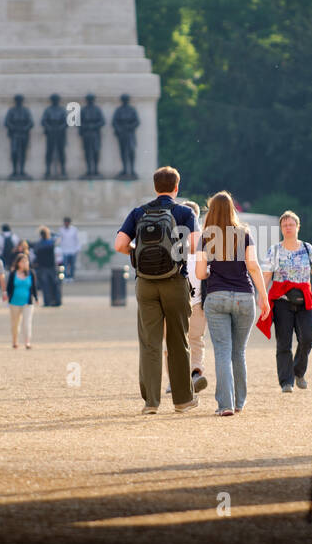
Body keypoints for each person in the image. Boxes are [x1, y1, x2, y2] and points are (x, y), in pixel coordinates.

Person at [115, 166, 200, 414]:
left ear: (155, 187)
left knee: (150, 342)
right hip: (175, 281)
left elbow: (119, 244)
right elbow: (194, 245)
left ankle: (151, 402)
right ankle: (183, 400)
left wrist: (138, 253)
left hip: (145, 283)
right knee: (177, 340)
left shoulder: (139, 212)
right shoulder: (184, 212)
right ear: (176, 187)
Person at [196, 191, 270, 416]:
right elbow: (254, 266)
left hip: (217, 296)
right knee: (239, 352)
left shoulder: (206, 237)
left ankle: (224, 405)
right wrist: (263, 296)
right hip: (244, 297)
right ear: (232, 209)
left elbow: (200, 273)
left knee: (222, 352)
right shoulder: (244, 234)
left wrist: (211, 271)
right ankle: (240, 402)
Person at [260, 210, 312, 392]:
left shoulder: (307, 248)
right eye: (284, 225)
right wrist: (261, 297)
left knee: (308, 337)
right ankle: (286, 382)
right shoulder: (274, 250)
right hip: (282, 302)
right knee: (283, 342)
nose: (288, 228)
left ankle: (298, 371)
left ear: (298, 227)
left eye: (291, 224)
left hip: (304, 300)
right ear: (281, 228)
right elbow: (266, 275)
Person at [164, 200, 208, 397]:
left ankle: (194, 373)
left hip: (197, 300)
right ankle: (174, 379)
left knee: (195, 339)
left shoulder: (205, 244)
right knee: (172, 342)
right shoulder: (172, 241)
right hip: (174, 300)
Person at [6, 252, 38, 349]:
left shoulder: (31, 273)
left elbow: (34, 287)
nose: (25, 263)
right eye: (23, 262)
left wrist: (36, 298)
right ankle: (15, 341)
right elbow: (9, 287)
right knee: (15, 323)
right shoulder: (13, 274)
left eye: (26, 261)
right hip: (14, 302)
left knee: (27, 322)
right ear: (18, 263)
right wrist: (7, 296)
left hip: (27, 302)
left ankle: (27, 342)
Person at [34, 227, 61, 307]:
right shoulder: (51, 242)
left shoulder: (39, 244)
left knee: (45, 286)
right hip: (51, 266)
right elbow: (58, 237)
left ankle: (47, 302)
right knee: (55, 284)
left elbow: (36, 254)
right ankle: (57, 301)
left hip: (42, 267)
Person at [57, 216, 81, 281]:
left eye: (67, 222)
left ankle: (71, 277)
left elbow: (77, 240)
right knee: (64, 265)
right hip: (64, 250)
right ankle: (65, 277)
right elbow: (59, 240)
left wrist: (77, 249)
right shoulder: (61, 230)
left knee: (72, 265)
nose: (66, 223)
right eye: (65, 222)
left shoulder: (74, 229)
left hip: (73, 250)